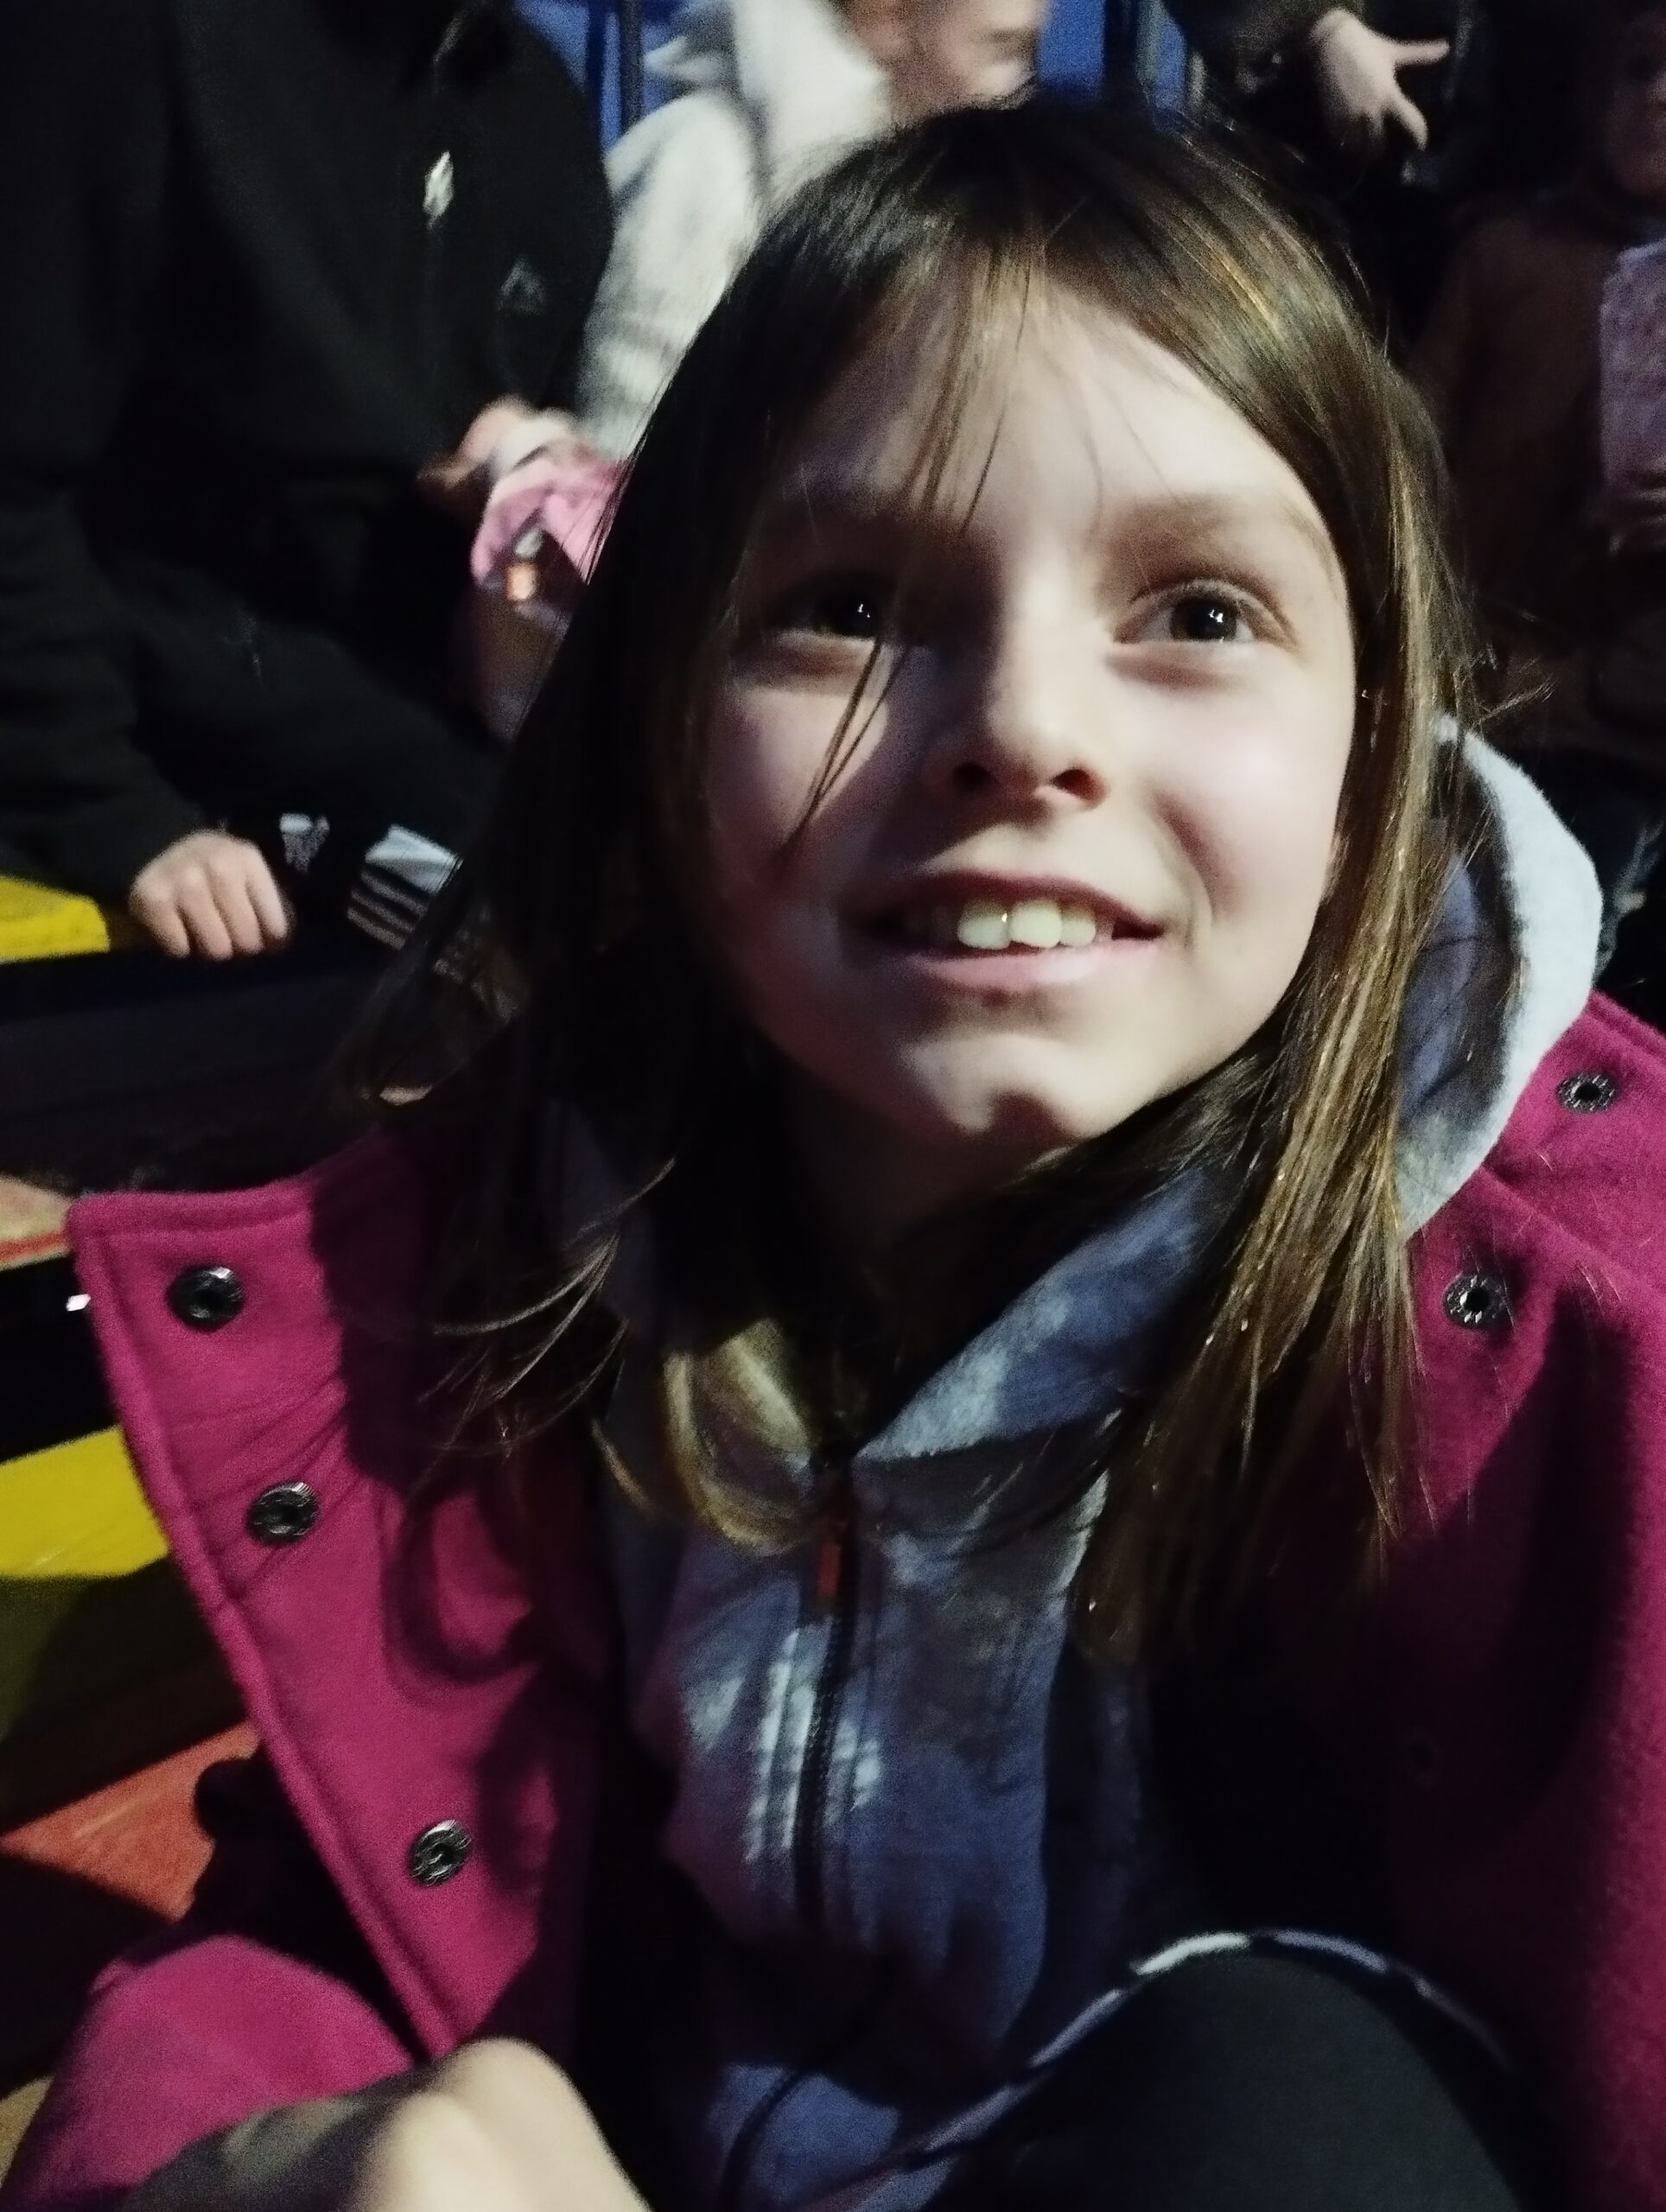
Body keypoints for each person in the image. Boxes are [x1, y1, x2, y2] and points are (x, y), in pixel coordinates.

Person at [8, 98, 1666, 2212]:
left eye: (1197, 610)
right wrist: (256, 2162)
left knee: (1298, 2098)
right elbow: (326, 1910)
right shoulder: (527, 1255)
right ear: (657, 729)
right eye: (851, 602)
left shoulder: (1570, 1359)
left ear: (1370, 757)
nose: (1022, 728)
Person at [0, 0, 611, 960]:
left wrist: (523, 480)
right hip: (168, 747)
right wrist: (113, 813)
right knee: (573, 940)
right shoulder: (131, 38)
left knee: (724, 871)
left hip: (430, 712)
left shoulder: (532, 104)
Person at [1414, 0, 1666, 984]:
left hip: (1621, 732)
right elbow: (1408, 443)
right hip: (1469, 682)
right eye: (1637, 70)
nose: (1657, 97)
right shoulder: (1505, 253)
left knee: (1562, 962)